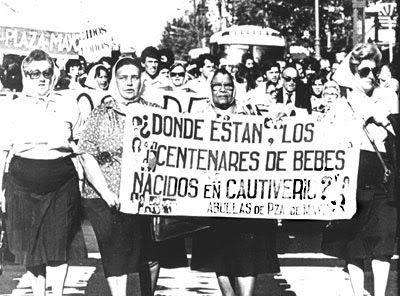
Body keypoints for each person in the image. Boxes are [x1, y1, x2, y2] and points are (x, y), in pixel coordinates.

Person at [77, 57, 186, 296]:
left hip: (143, 198)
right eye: (123, 78)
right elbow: (86, 154)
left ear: (142, 80)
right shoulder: (100, 113)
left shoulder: (154, 113)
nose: (129, 83)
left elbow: (171, 150)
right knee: (116, 253)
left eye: (134, 77)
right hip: (106, 197)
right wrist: (106, 192)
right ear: (115, 81)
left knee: (150, 253)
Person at [191, 68, 280, 296]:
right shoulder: (197, 115)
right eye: (217, 85)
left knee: (248, 255)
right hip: (212, 199)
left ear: (234, 88)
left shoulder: (249, 113)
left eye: (227, 85)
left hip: (245, 198)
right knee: (220, 256)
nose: (222, 89)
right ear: (210, 89)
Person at [0, 49, 81, 296]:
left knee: (58, 245)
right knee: (30, 246)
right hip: (22, 183)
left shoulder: (68, 104)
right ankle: (38, 293)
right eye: (35, 73)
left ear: (54, 74)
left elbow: (81, 147)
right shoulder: (11, 108)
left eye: (46, 72)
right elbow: (3, 151)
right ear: (25, 75)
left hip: (61, 181)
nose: (41, 78)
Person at [321, 42, 398, 296]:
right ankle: (358, 293)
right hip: (354, 178)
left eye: (374, 71)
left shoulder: (388, 98)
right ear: (354, 73)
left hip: (384, 177)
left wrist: (384, 119)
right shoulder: (343, 105)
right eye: (364, 72)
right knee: (354, 244)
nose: (370, 77)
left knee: (383, 243)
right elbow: (330, 142)